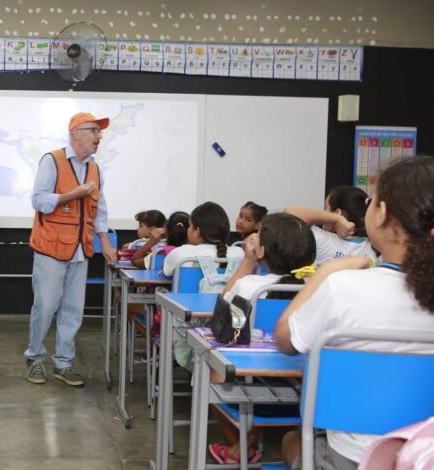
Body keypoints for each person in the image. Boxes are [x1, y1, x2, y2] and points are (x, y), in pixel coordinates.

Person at [275, 157, 434, 469]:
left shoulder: (343, 286)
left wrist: (325, 274)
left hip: (353, 458)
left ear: (383, 214)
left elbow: (285, 339)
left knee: (291, 441)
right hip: (425, 455)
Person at [209, 212, 316, 464]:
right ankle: (245, 443)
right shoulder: (318, 286)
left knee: (207, 369)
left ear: (263, 251)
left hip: (254, 395)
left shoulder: (251, 286)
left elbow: (223, 307)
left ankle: (239, 445)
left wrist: (248, 260)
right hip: (310, 396)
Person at [24, 112, 118, 387]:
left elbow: (99, 208)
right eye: (94, 131)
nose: (99, 137)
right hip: (51, 248)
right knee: (45, 305)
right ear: (76, 133)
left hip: (82, 249)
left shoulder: (95, 169)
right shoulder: (52, 160)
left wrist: (106, 243)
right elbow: (39, 201)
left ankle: (64, 364)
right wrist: (73, 194)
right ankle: (35, 360)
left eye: (99, 132)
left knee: (74, 310)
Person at [285, 186, 376, 265]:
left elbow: (288, 214)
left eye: (326, 208)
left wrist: (336, 219)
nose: (323, 212)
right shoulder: (372, 248)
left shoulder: (322, 240)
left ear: (337, 213)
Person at [161, 202, 244, 277]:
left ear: (197, 231)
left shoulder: (180, 253)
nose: (188, 229)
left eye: (189, 225)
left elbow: (166, 271)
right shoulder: (239, 254)